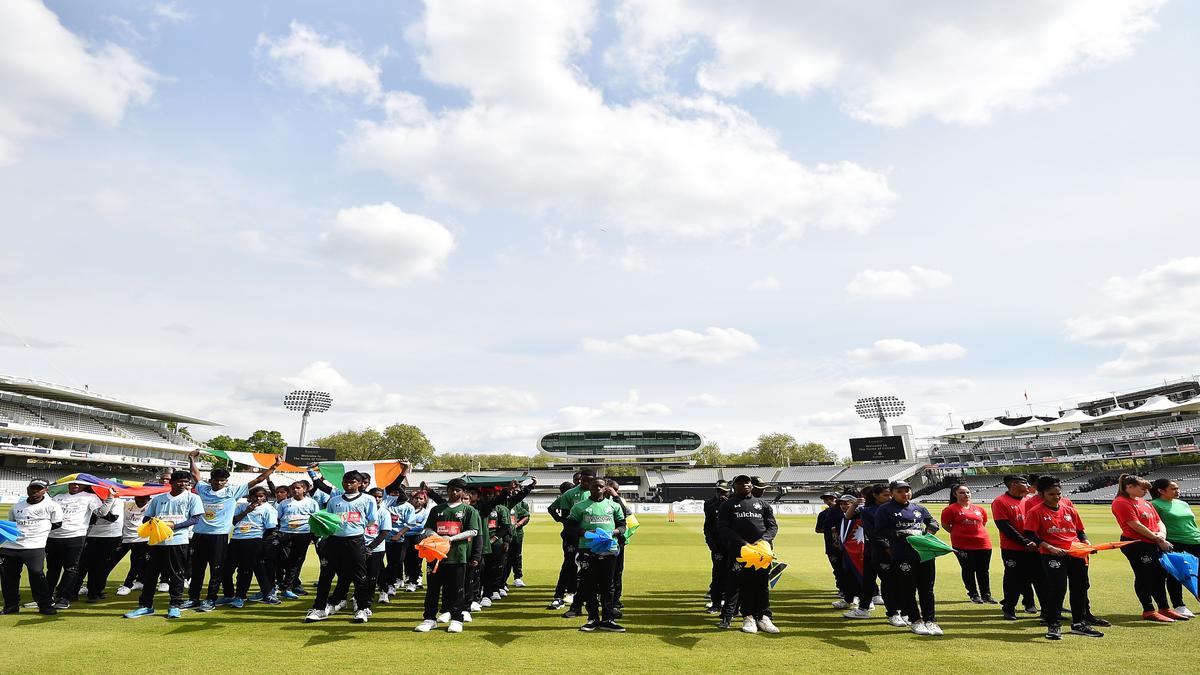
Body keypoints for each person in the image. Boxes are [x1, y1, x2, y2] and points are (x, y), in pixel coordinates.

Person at [185, 451, 278, 611]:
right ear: (211, 480)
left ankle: (211, 600)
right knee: (197, 568)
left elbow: (258, 479)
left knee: (216, 570)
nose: (220, 483)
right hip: (199, 534)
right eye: (217, 480)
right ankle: (193, 598)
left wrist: (274, 466)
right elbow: (195, 474)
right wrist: (192, 459)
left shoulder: (232, 492)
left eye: (223, 480)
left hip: (219, 536)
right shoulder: (203, 488)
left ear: (227, 481)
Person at [1024, 476, 1107, 639]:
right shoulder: (1036, 511)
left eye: (1058, 493)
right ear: (1041, 494)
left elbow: (1080, 531)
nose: (1056, 497)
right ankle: (1053, 625)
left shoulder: (1069, 509)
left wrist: (1086, 543)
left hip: (1076, 553)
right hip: (1052, 555)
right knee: (1058, 588)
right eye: (1051, 494)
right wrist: (1049, 547)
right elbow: (1029, 533)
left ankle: (1078, 623)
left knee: (1080, 587)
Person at [304, 471, 384, 624]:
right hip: (333, 541)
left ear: (360, 483)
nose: (348, 484)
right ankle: (319, 608)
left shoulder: (368, 499)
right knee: (326, 575)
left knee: (360, 576)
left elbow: (371, 520)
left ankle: (361, 609)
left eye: (352, 481)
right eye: (345, 481)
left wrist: (353, 528)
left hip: (355, 541)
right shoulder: (334, 501)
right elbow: (330, 521)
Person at [124, 470, 205, 619]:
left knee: (177, 574)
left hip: (178, 541)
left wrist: (174, 526)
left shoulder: (193, 498)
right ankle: (146, 606)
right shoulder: (158, 499)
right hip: (156, 542)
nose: (183, 484)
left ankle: (175, 605)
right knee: (150, 575)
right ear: (171, 482)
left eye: (186, 482)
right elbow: (146, 519)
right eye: (180, 481)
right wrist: (154, 523)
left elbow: (195, 519)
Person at [414, 478, 482, 634]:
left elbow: (473, 531)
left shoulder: (469, 510)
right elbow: (428, 529)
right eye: (452, 489)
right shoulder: (437, 509)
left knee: (456, 589)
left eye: (458, 490)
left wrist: (450, 539)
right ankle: (429, 619)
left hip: (457, 556)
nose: (454, 493)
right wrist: (437, 537)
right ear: (448, 490)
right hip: (435, 555)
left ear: (463, 492)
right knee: (432, 589)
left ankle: (457, 619)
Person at [1111, 474, 1182, 622]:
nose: (1145, 492)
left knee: (1160, 576)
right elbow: (1134, 525)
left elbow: (1158, 521)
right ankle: (1148, 610)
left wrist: (1161, 535)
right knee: (1145, 576)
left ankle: (1164, 608)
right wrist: (1157, 538)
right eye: (1142, 488)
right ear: (1129, 487)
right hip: (1136, 544)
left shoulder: (1146, 503)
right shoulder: (1121, 502)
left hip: (1154, 542)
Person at [876, 480, 942, 636]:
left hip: (924, 554)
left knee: (927, 589)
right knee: (908, 589)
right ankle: (916, 621)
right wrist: (899, 534)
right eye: (900, 491)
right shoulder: (885, 510)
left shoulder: (918, 508)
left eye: (907, 490)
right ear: (892, 492)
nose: (905, 494)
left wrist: (932, 527)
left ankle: (930, 621)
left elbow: (932, 521)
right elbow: (879, 531)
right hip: (902, 555)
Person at [717, 475, 779, 634]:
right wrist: (744, 543)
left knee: (762, 585)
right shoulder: (727, 505)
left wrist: (762, 541)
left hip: (762, 552)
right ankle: (749, 617)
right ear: (734, 486)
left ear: (752, 486)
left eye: (747, 482)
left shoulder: (763, 505)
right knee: (744, 585)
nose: (744, 484)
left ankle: (764, 617)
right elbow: (723, 528)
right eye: (740, 482)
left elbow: (772, 527)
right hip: (740, 553)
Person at [566, 476, 627, 632]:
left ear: (605, 488)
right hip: (587, 550)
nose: (598, 489)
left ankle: (608, 619)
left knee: (608, 585)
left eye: (601, 486)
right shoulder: (579, 507)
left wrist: (614, 532)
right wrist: (585, 533)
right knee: (589, 585)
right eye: (595, 486)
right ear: (590, 488)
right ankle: (592, 618)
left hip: (609, 549)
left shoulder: (613, 506)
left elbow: (623, 525)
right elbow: (570, 527)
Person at [48, 481, 115, 609]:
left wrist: (110, 497)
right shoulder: (58, 497)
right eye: (73, 483)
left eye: (79, 484)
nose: (75, 486)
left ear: (84, 486)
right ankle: (47, 597)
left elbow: (101, 513)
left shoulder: (90, 497)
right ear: (68, 484)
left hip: (75, 536)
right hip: (53, 536)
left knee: (71, 568)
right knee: (52, 569)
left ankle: (64, 598)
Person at [0, 479, 64, 615]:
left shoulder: (52, 506)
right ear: (27, 489)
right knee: (8, 578)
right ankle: (11, 605)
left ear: (45, 490)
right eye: (32, 488)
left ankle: (45, 605)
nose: (34, 491)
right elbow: (12, 526)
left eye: (38, 488)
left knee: (37, 575)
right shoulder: (17, 506)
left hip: (34, 546)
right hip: (10, 546)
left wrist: (37, 532)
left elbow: (57, 524)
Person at [220, 486, 278, 607]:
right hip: (236, 539)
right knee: (226, 569)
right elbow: (234, 521)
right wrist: (247, 511)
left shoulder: (268, 509)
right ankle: (228, 594)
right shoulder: (241, 507)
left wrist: (259, 542)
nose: (258, 498)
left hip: (253, 540)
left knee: (244, 570)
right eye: (255, 496)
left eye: (261, 496)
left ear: (265, 497)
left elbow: (270, 528)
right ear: (249, 497)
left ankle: (240, 596)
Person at [1150, 478, 1200, 618]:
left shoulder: (1183, 503)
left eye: (1178, 488)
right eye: (1173, 488)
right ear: (1161, 490)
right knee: (1175, 575)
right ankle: (1179, 605)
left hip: (1195, 540)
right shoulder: (1154, 505)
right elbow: (1154, 525)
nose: (1177, 491)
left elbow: (1191, 523)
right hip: (1175, 542)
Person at [546, 470, 595, 610]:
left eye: (588, 481)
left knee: (591, 566)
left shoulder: (600, 494)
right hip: (572, 536)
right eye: (583, 480)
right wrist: (564, 523)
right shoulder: (570, 494)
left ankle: (587, 595)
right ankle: (559, 596)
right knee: (569, 564)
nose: (585, 483)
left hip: (593, 538)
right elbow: (567, 518)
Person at [941, 484, 994, 604]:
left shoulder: (979, 509)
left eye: (967, 492)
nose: (966, 495)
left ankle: (986, 595)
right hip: (962, 545)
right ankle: (974, 594)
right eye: (962, 492)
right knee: (968, 570)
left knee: (983, 570)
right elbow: (946, 525)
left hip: (983, 543)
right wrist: (960, 534)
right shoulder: (950, 509)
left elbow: (983, 523)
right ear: (955, 494)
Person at [275, 480, 321, 600]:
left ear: (305, 490)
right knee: (286, 560)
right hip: (286, 533)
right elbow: (278, 519)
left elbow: (316, 519)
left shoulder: (312, 503)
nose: (296, 490)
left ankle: (289, 587)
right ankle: (287, 585)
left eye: (299, 488)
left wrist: (313, 536)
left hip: (303, 534)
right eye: (294, 488)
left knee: (297, 561)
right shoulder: (284, 503)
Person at [77, 493, 124, 602]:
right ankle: (72, 591)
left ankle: (95, 592)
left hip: (110, 536)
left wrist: (99, 512)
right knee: (83, 565)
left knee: (101, 566)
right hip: (91, 535)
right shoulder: (92, 500)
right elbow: (91, 518)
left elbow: (112, 517)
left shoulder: (117, 501)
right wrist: (98, 513)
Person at [859, 484, 895, 623]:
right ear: (875, 495)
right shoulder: (868, 511)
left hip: (889, 552)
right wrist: (888, 547)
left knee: (889, 582)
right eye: (885, 495)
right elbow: (872, 533)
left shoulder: (894, 509)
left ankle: (894, 612)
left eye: (890, 494)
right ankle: (863, 609)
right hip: (874, 550)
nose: (889, 497)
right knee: (868, 581)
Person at [113, 495, 152, 596]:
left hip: (142, 539)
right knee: (110, 561)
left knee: (136, 564)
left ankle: (127, 585)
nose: (140, 501)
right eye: (137, 498)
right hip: (125, 538)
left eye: (143, 499)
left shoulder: (151, 506)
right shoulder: (127, 504)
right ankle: (95, 586)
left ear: (148, 499)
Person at [382, 486, 415, 599]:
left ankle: (389, 583)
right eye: (393, 493)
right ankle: (386, 584)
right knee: (380, 563)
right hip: (382, 538)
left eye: (397, 492)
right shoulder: (386, 504)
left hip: (398, 539)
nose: (395, 495)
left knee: (396, 562)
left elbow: (410, 524)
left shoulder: (408, 507)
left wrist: (399, 534)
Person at [703, 480, 731, 614]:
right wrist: (711, 545)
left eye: (724, 491)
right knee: (718, 575)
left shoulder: (733, 503)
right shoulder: (709, 503)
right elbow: (707, 525)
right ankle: (716, 603)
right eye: (719, 491)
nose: (721, 494)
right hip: (717, 546)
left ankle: (730, 604)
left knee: (732, 575)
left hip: (732, 545)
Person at [402, 490, 431, 591]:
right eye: (416, 498)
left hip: (418, 537)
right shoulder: (407, 510)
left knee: (416, 560)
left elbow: (422, 526)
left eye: (421, 498)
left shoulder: (426, 512)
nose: (418, 500)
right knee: (403, 559)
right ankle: (404, 577)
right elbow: (401, 523)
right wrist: (408, 527)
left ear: (424, 501)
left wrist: (407, 527)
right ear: (411, 499)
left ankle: (413, 582)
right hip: (405, 537)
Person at [815, 491, 841, 596]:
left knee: (847, 569)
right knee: (837, 569)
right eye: (826, 499)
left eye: (831, 498)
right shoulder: (823, 514)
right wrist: (830, 530)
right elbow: (818, 529)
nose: (829, 501)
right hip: (831, 545)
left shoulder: (846, 511)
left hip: (846, 545)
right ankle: (841, 589)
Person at [506, 497, 530, 588]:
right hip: (505, 534)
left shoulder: (522, 504)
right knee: (505, 557)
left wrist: (518, 524)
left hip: (518, 534)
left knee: (517, 555)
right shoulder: (504, 503)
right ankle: (503, 581)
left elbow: (526, 517)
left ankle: (517, 577)